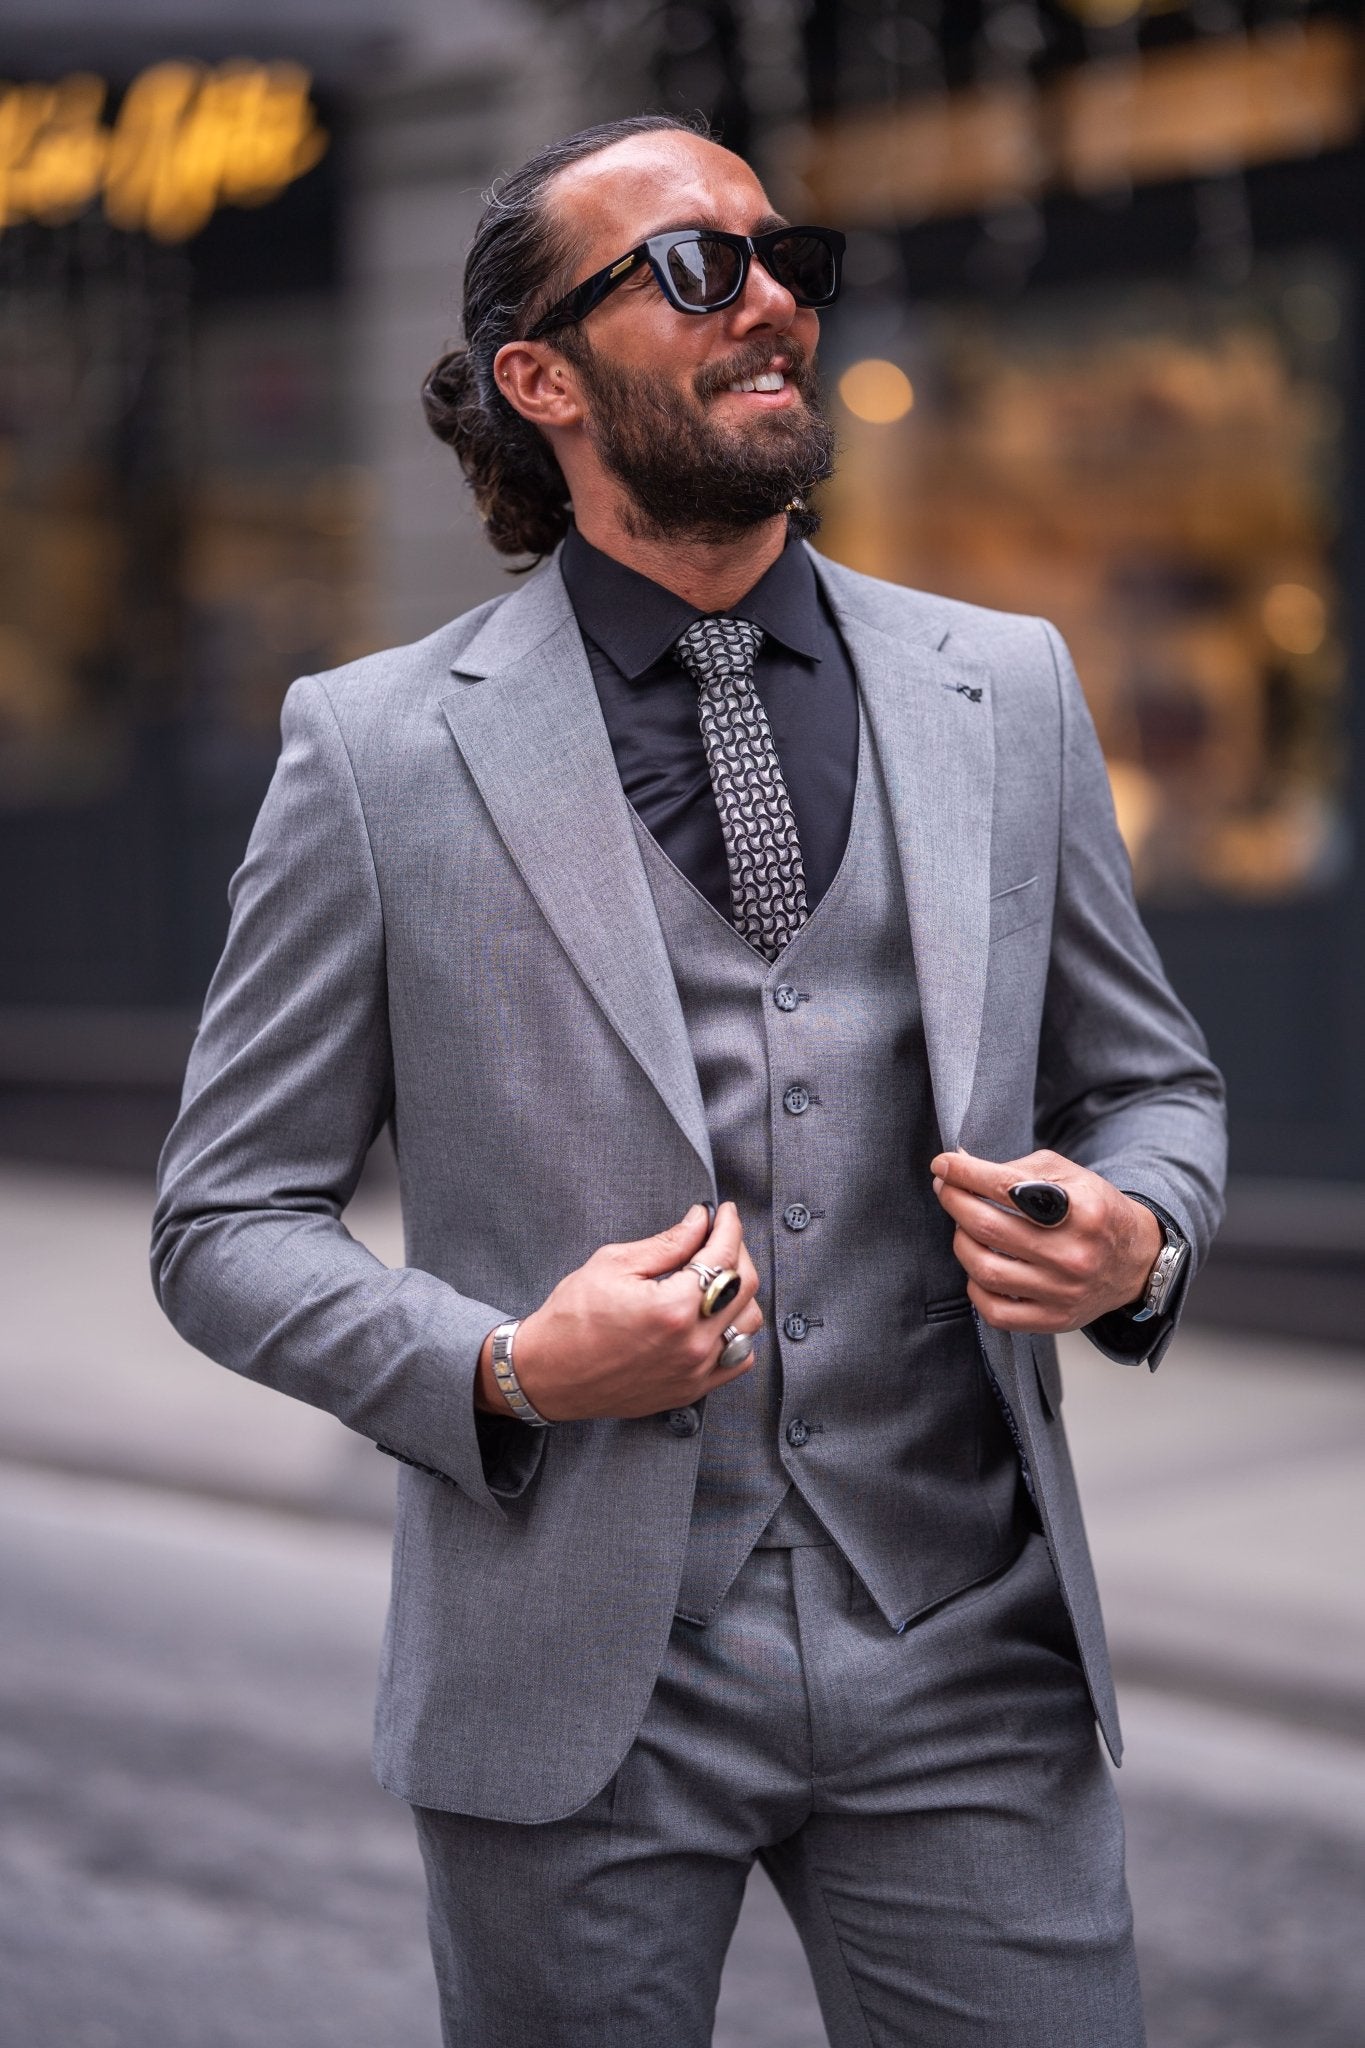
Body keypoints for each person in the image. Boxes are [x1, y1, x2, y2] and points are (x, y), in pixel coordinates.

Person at [152, 113, 1226, 2047]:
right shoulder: (379, 751)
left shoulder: (1009, 688)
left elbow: (1153, 1085)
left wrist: (1136, 1237)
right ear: (537, 379)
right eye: (691, 269)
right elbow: (223, 1223)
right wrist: (503, 1368)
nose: (772, 306)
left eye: (781, 255)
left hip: (966, 1643)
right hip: (572, 1671)